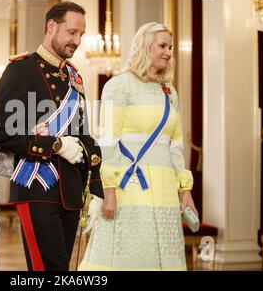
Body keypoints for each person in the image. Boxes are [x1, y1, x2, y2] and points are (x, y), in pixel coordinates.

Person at [0, 1, 104, 271]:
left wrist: (98, 188)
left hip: (71, 190)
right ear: (51, 26)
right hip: (38, 187)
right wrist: (53, 144)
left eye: (81, 34)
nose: (77, 41)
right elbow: (1, 134)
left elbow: (83, 134)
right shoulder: (22, 69)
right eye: (72, 32)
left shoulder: (73, 76)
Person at [78, 22, 198, 271]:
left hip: (164, 189)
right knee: (130, 256)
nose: (168, 51)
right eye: (162, 45)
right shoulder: (118, 86)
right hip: (129, 186)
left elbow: (175, 147)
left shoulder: (169, 92)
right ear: (145, 47)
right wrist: (108, 192)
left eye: (171, 47)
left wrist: (185, 191)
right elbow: (108, 143)